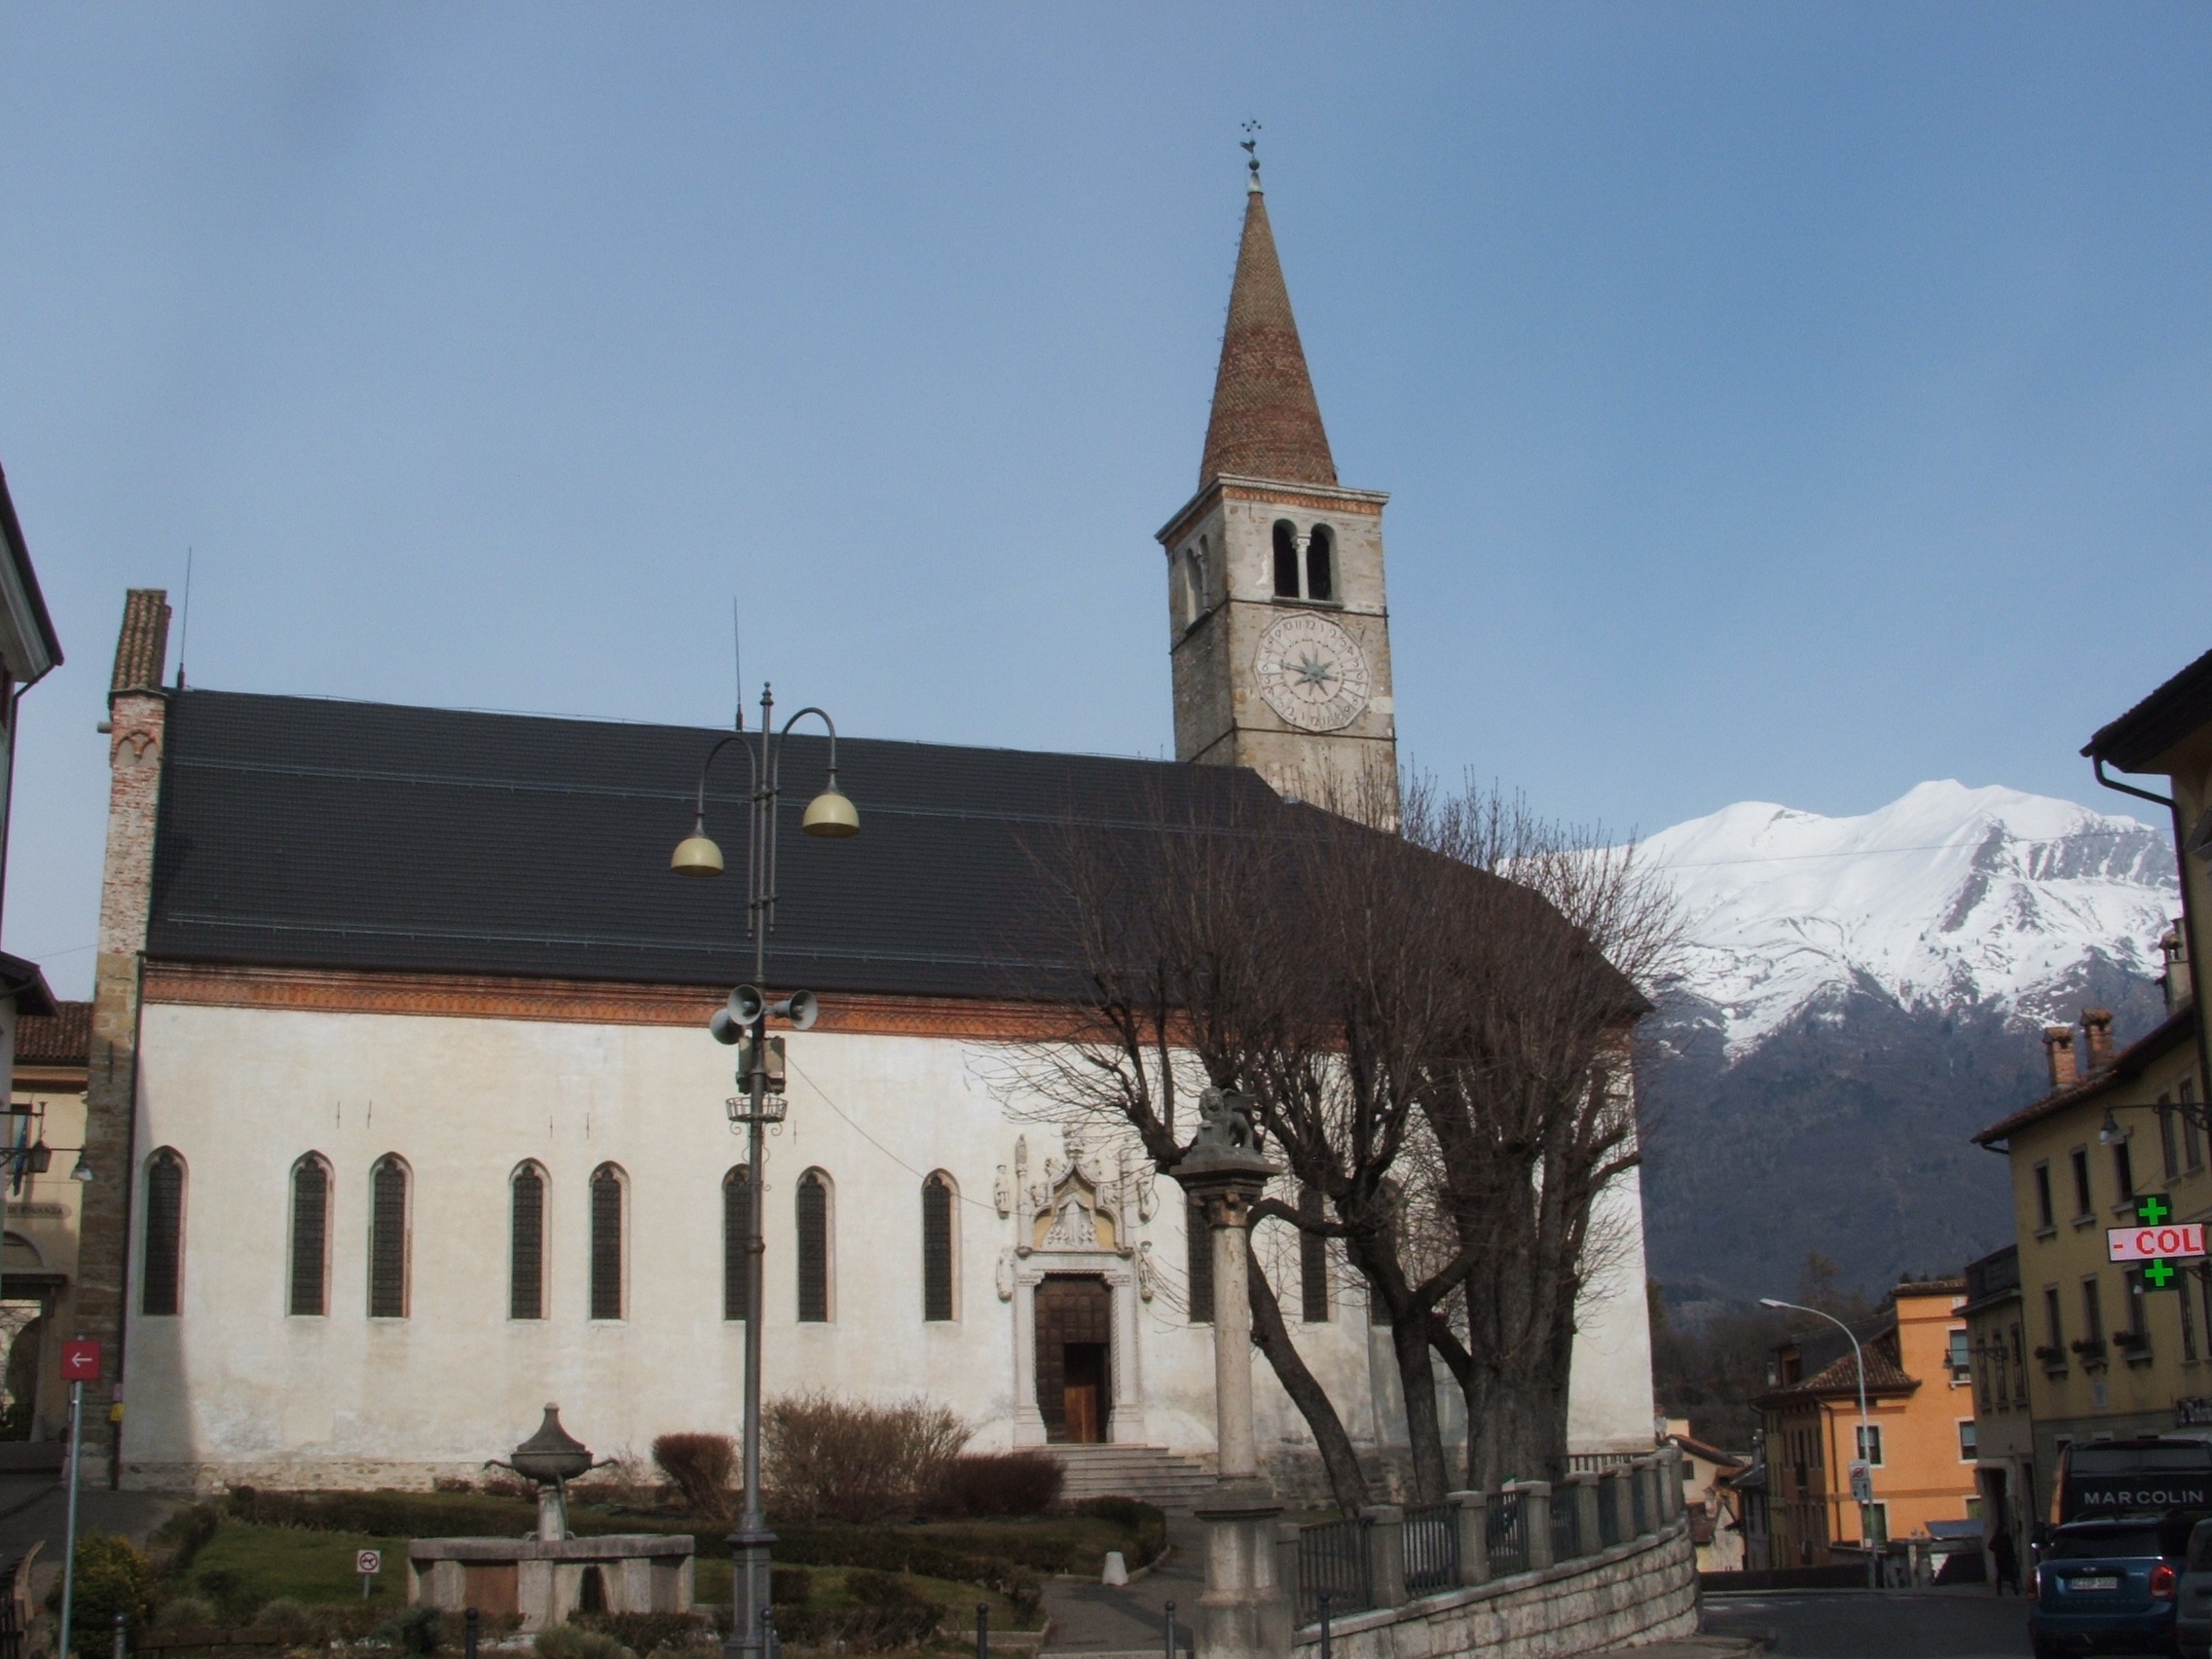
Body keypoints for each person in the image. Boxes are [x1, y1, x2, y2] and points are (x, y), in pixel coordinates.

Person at [1990, 1524, 2020, 1595]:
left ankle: (2015, 1590)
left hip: (2008, 1558)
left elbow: (2011, 1547)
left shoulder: (2007, 1537)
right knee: (2000, 1575)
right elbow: (1990, 1546)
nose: (2005, 1530)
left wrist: (2012, 1557)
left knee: (2011, 1574)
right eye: (2004, 1529)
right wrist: (1997, 1550)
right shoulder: (1996, 1537)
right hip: (2000, 1559)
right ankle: (1999, 1590)